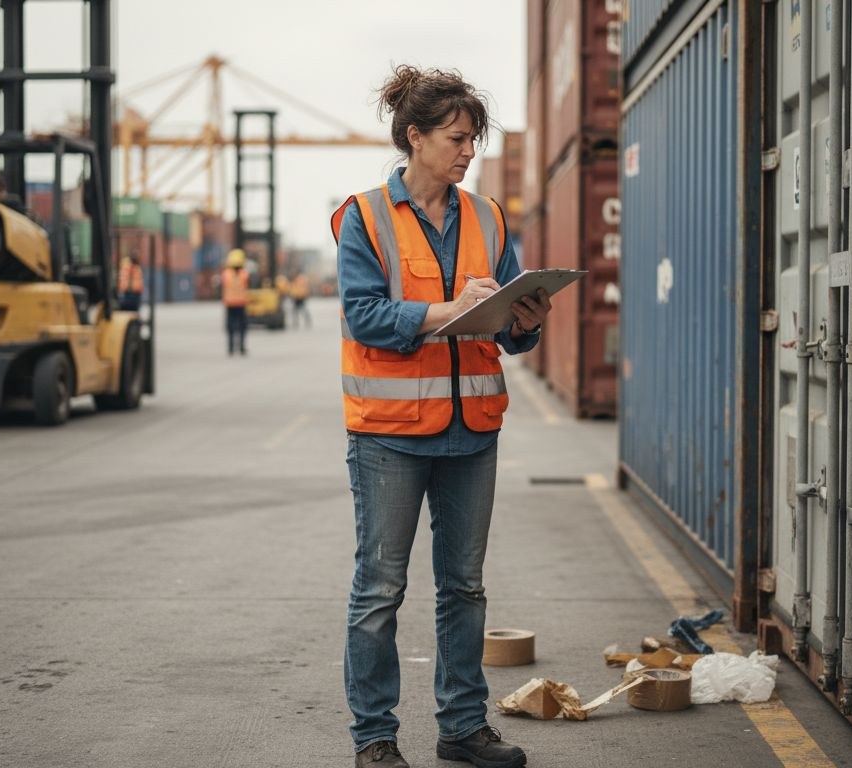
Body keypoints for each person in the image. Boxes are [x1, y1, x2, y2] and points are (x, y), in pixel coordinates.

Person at [333, 65, 550, 768]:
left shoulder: (487, 216)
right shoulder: (364, 218)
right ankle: (375, 738)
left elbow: (507, 328)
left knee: (465, 586)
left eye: (474, 140)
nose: (468, 152)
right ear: (415, 137)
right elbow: (365, 317)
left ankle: (462, 728)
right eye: (457, 138)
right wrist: (448, 308)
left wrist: (527, 319)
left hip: (472, 430)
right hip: (389, 437)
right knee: (381, 590)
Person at [221, 248, 250, 356]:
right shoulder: (244, 274)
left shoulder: (226, 274)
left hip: (229, 304)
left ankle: (230, 348)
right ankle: (241, 348)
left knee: (230, 327)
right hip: (241, 304)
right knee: (242, 327)